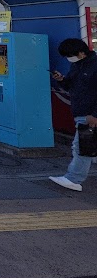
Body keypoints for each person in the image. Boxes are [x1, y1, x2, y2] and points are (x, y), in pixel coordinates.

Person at [50, 38, 97, 192]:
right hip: (81, 112)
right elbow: (70, 85)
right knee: (85, 146)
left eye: (70, 55)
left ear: (81, 52)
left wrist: (95, 115)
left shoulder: (95, 65)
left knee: (82, 147)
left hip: (90, 114)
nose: (68, 59)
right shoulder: (77, 65)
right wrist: (61, 80)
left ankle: (73, 179)